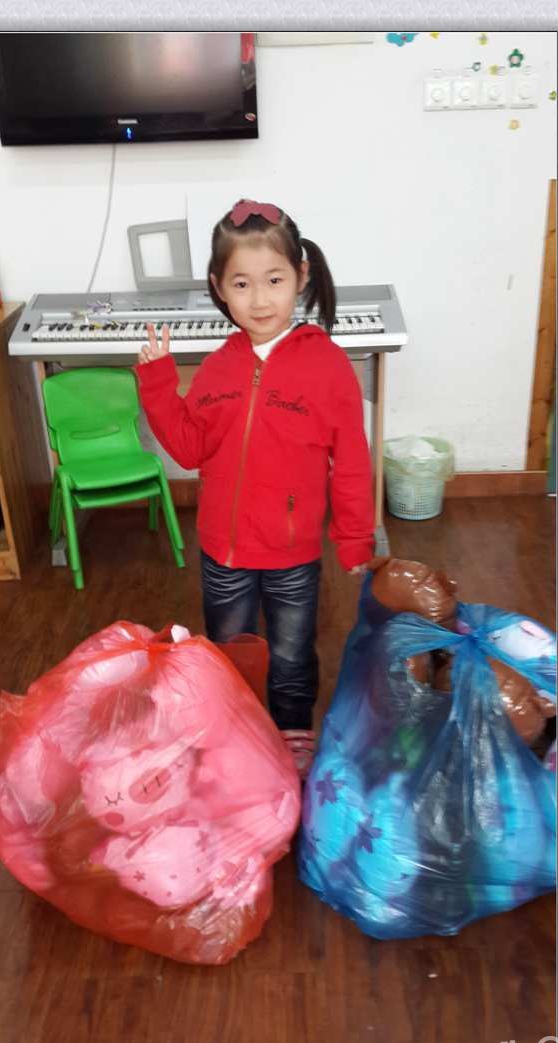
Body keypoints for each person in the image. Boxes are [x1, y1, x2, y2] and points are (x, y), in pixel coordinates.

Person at [135, 198, 374, 777]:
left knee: (291, 654)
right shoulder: (218, 367)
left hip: (293, 554)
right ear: (219, 288)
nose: (260, 299)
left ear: (301, 276)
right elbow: (189, 449)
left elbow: (352, 461)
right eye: (242, 284)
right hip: (223, 550)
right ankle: (232, 729)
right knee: (229, 649)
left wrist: (354, 537)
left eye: (274, 280)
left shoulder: (328, 367)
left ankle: (293, 731)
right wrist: (159, 383)